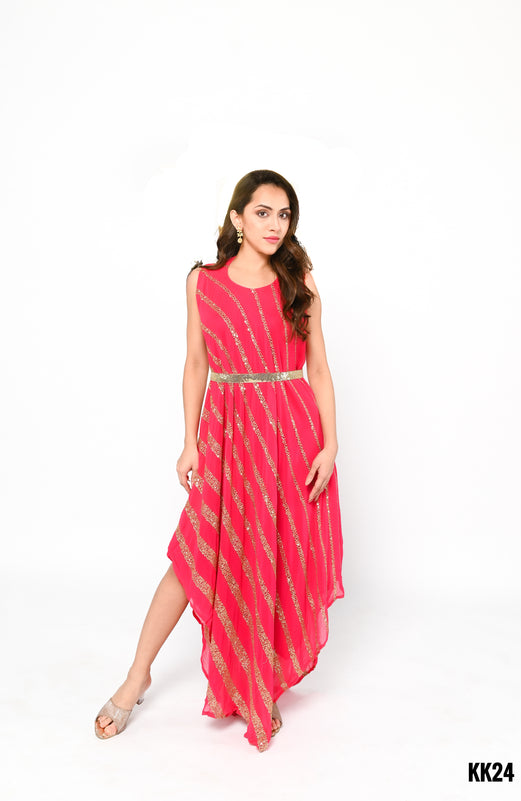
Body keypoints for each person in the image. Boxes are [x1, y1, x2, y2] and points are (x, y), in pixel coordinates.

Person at [94, 169, 344, 752]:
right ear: (237, 217)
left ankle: (261, 684)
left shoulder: (299, 281)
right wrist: (190, 441)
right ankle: (136, 676)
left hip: (289, 433)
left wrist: (330, 445)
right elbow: (195, 364)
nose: (275, 225)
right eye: (263, 212)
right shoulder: (203, 282)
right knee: (194, 552)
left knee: (273, 555)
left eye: (284, 215)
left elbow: (318, 367)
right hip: (228, 434)